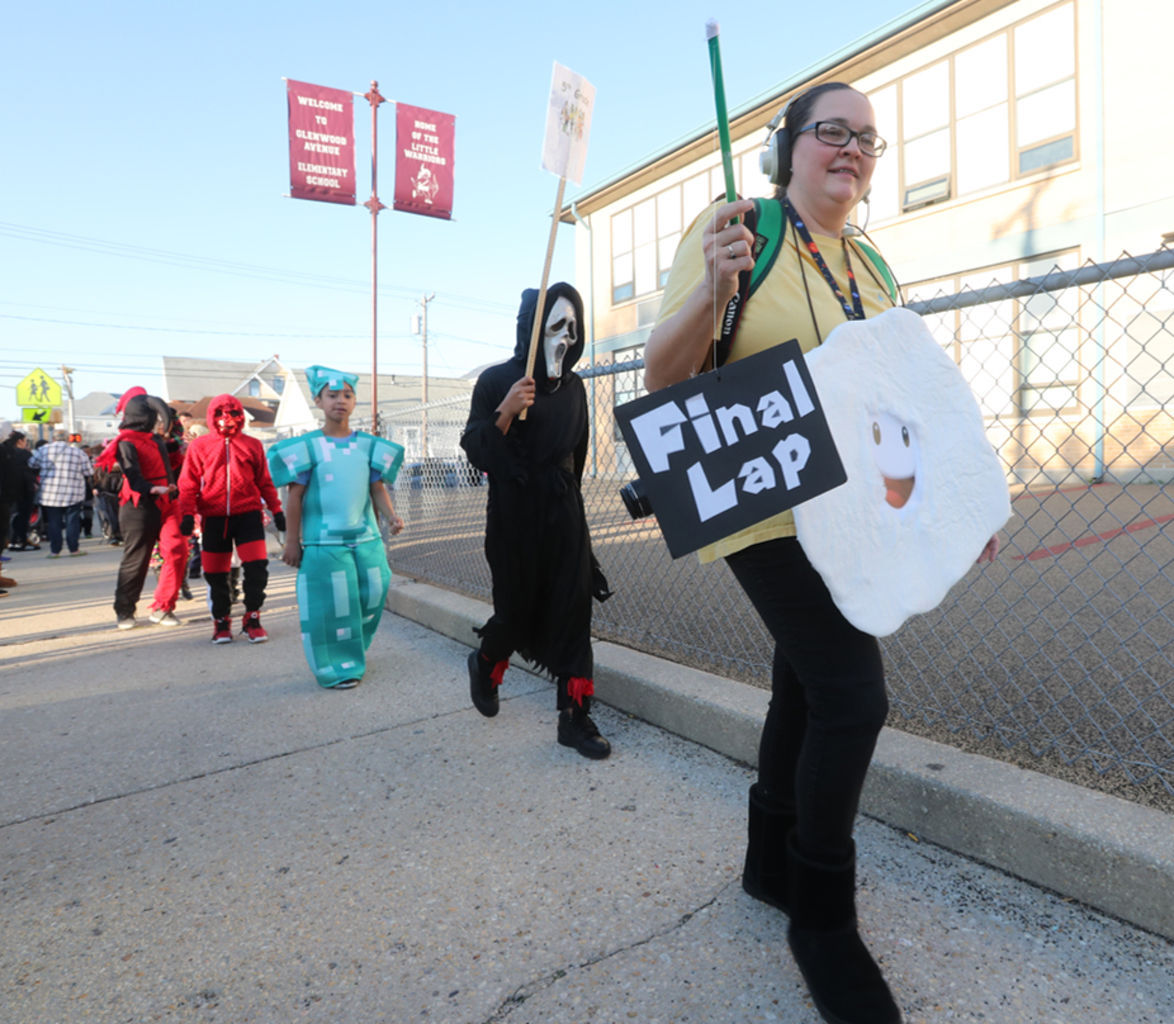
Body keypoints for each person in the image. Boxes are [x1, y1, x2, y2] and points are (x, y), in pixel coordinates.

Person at [645, 83, 915, 1024]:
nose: (850, 149)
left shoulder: (871, 261)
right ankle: (821, 915)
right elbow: (662, 377)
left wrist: (952, 495)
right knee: (855, 694)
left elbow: (896, 390)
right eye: (830, 132)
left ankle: (767, 867)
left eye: (867, 139)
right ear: (786, 149)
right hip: (764, 508)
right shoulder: (739, 230)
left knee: (805, 685)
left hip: (852, 512)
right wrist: (715, 292)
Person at [459, 283, 614, 760]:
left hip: (564, 512)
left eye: (573, 327)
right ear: (531, 329)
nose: (566, 337)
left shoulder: (575, 389)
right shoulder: (496, 382)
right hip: (513, 515)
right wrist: (506, 411)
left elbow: (578, 456)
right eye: (555, 326)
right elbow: (477, 451)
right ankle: (486, 663)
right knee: (516, 610)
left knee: (573, 611)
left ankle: (575, 717)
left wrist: (572, 512)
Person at [267, 367, 404, 689]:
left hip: (367, 539)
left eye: (347, 395)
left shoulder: (368, 446)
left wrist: (391, 516)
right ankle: (338, 668)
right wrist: (292, 542)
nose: (340, 401)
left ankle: (352, 651)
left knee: (374, 591)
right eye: (332, 395)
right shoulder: (307, 448)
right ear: (318, 400)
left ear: (355, 401)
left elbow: (377, 488)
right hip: (323, 544)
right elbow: (295, 497)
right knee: (333, 607)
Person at [178, 394, 284, 644]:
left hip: (248, 516)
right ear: (212, 416)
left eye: (233, 413)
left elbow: (264, 482)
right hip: (214, 518)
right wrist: (187, 513)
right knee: (216, 574)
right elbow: (188, 483)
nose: (227, 419)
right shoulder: (199, 446)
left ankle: (253, 618)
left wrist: (276, 510)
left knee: (257, 569)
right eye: (221, 413)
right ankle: (221, 621)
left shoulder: (253, 445)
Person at [95, 394, 176, 629]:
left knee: (177, 551)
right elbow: (133, 476)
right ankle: (124, 610)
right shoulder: (125, 441)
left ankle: (164, 607)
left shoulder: (156, 440)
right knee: (136, 560)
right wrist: (155, 488)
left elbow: (168, 468)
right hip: (138, 505)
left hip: (166, 501)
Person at [29, 430, 94, 558]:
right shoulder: (78, 452)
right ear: (67, 439)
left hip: (50, 494)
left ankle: (55, 551)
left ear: (53, 438)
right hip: (73, 493)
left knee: (54, 522)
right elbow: (88, 472)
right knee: (72, 521)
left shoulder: (43, 450)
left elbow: (31, 464)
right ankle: (74, 549)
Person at [4, 431, 40, 552]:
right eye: (25, 441)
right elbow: (34, 467)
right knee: (24, 516)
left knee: (15, 515)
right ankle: (21, 540)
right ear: (20, 441)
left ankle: (13, 541)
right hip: (25, 489)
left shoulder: (6, 452)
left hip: (9, 490)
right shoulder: (24, 454)